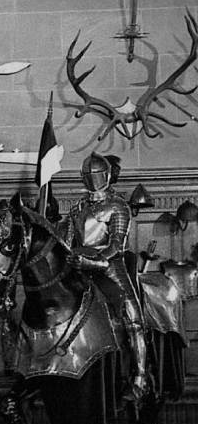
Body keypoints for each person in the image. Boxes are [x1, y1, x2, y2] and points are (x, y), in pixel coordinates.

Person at [63, 154, 148, 400]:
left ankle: (140, 377)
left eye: (97, 175)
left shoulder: (117, 205)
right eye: (89, 175)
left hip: (109, 266)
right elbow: (68, 243)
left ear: (107, 176)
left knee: (133, 318)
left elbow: (116, 245)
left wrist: (93, 261)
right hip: (79, 265)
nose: (94, 179)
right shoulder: (77, 209)